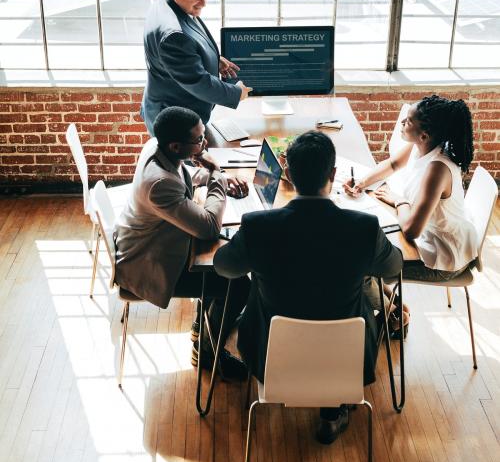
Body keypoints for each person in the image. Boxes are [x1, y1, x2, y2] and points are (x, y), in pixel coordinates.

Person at [214, 131, 403, 443]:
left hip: (269, 353)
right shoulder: (364, 228)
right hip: (349, 358)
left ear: (287, 173)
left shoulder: (257, 227)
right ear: (332, 174)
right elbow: (393, 268)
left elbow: (224, 266)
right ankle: (333, 410)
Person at [114, 106, 251, 380]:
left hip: (157, 244)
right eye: (199, 139)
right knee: (238, 283)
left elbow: (182, 174)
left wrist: (210, 177)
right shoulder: (158, 185)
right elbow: (209, 228)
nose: (205, 143)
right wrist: (218, 177)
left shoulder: (157, 145)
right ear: (176, 145)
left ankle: (205, 325)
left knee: (222, 267)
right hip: (150, 264)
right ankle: (207, 352)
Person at [343, 95, 477, 284]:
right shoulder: (421, 145)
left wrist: (398, 200)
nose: (402, 122)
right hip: (426, 238)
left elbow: (411, 230)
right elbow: (392, 164)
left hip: (441, 258)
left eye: (408, 121)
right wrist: (361, 183)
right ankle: (391, 309)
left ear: (423, 135)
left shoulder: (438, 168)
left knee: (360, 266)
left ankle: (391, 311)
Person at [141, 0, 252, 134]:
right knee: (186, 161)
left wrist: (213, 58)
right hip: (174, 123)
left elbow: (189, 44)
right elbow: (198, 82)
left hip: (176, 108)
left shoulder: (167, 0)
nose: (203, 3)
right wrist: (236, 93)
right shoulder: (173, 35)